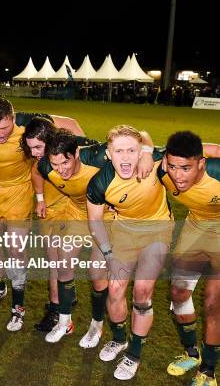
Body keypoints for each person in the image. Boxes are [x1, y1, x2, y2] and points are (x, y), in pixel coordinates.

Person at [0, 99, 85, 332]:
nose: (0, 135)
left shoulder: (30, 124)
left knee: (18, 250)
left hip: (21, 196)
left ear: (14, 119)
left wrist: (76, 150)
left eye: (5, 128)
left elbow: (70, 123)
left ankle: (20, 308)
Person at [87, 125, 170, 380]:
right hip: (124, 233)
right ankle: (119, 339)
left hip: (157, 230)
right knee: (114, 290)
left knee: (142, 293)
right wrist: (109, 255)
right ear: (109, 154)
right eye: (119, 151)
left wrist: (147, 149)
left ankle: (133, 354)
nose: (125, 157)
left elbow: (193, 151)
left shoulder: (155, 160)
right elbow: (95, 223)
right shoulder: (100, 182)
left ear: (141, 151)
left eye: (131, 150)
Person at [34, 129, 111, 345]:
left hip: (109, 216)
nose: (60, 170)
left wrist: (143, 156)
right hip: (78, 213)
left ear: (76, 154)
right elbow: (37, 171)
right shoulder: (46, 166)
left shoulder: (97, 157)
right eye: (55, 164)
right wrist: (40, 198)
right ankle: (64, 322)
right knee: (63, 264)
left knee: (97, 273)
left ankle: (97, 325)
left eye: (65, 163)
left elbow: (137, 149)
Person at [160, 132, 219, 386]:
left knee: (213, 303)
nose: (178, 175)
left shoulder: (216, 174)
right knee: (179, 292)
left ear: (201, 164)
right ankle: (191, 353)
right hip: (196, 228)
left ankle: (208, 370)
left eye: (186, 168)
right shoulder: (160, 171)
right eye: (172, 166)